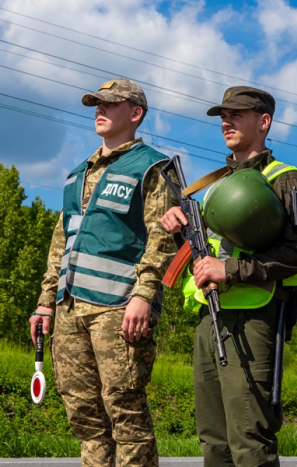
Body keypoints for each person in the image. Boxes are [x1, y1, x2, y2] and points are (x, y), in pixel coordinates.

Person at [160, 86, 297, 467]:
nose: (226, 121)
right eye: (223, 115)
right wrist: (180, 228)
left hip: (255, 317)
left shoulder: (284, 179)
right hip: (209, 318)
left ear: (264, 122)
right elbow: (215, 247)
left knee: (250, 439)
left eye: (237, 114)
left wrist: (228, 271)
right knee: (213, 440)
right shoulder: (217, 185)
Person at [29, 78, 177, 467]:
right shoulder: (77, 174)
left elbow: (163, 238)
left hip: (119, 310)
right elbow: (60, 244)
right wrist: (46, 304)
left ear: (135, 113)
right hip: (68, 310)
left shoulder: (153, 167)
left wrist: (144, 295)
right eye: (96, 104)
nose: (99, 110)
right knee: (84, 417)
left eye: (109, 104)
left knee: (125, 412)